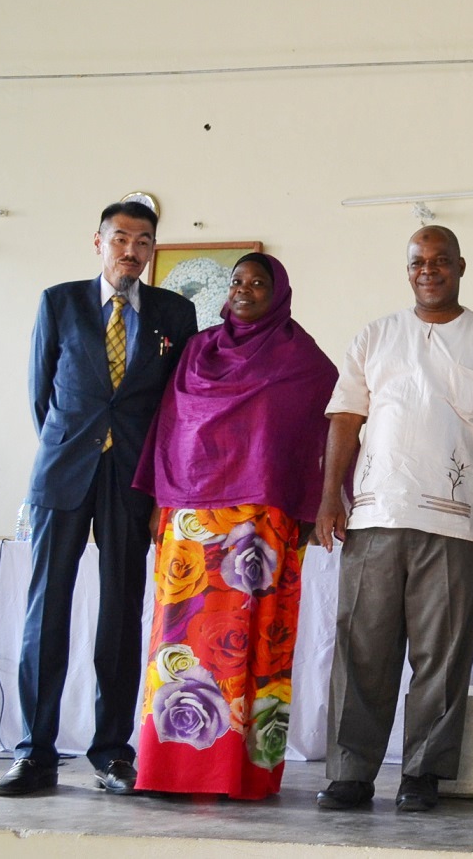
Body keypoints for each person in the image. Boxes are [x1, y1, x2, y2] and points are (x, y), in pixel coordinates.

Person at [0, 201, 198, 798]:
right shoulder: (59, 302)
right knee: (44, 613)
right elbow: (41, 394)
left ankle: (111, 751)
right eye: (120, 238)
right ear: (98, 242)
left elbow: (176, 408)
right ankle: (34, 754)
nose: (131, 250)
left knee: (119, 615)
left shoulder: (174, 313)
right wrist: (70, 446)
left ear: (153, 249)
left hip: (132, 479)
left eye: (143, 241)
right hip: (62, 474)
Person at [310, 226, 473, 814]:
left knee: (443, 655)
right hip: (375, 515)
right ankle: (350, 773)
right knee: (362, 651)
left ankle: (422, 774)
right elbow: (345, 419)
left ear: (460, 266)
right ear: (407, 271)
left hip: (456, 522)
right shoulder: (375, 336)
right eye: (418, 262)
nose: (429, 270)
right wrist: (331, 497)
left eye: (440, 261)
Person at [130, 253, 336, 799]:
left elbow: (320, 431)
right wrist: (160, 501)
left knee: (250, 647)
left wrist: (309, 505)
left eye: (258, 284)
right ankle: (167, 769)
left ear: (279, 293)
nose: (244, 290)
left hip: (258, 527)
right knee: (180, 642)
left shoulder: (303, 359)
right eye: (238, 282)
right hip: (191, 520)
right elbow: (170, 427)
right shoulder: (198, 351)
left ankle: (239, 775)